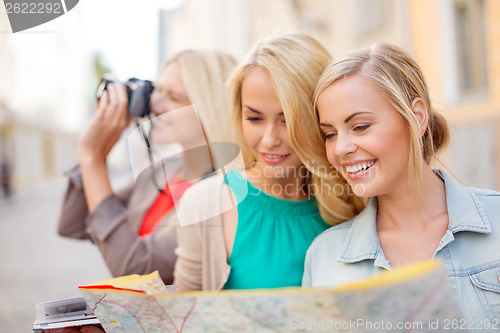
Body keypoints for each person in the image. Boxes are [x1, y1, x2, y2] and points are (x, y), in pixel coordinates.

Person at [301, 42, 500, 323]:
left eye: (360, 126)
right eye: (330, 134)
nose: (340, 148)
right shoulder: (324, 257)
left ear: (416, 117)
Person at [173, 32, 364, 293]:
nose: (269, 139)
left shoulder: (357, 199)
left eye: (287, 119)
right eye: (254, 118)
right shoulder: (205, 204)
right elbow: (183, 318)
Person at [57, 50, 237, 285]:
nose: (154, 105)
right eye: (157, 90)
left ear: (210, 107)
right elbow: (74, 224)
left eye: (172, 96)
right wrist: (100, 150)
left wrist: (91, 156)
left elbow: (137, 268)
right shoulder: (163, 171)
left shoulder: (226, 193)